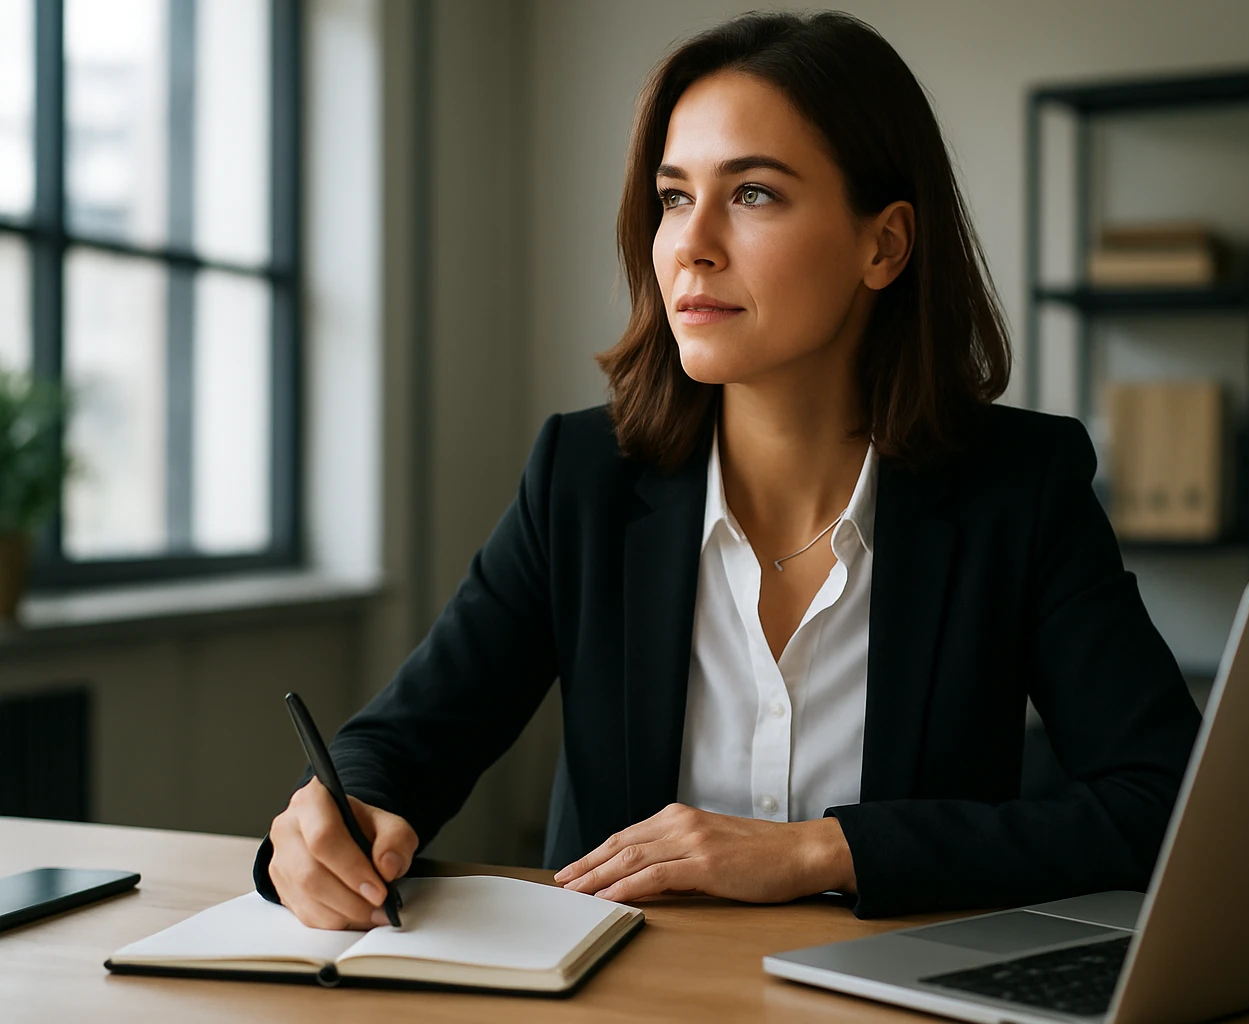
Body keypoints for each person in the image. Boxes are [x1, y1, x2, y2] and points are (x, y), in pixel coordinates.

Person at [256, 10, 1200, 929]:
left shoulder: (1018, 489)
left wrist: (821, 851)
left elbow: (1163, 803)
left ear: (886, 244)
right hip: (624, 1002)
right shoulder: (581, 478)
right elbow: (405, 742)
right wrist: (336, 824)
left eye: (752, 193)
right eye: (673, 196)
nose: (691, 244)